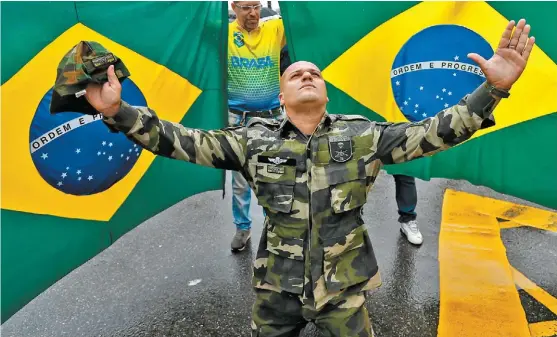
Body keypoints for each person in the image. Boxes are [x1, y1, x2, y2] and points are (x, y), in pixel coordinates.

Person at [84, 19, 534, 337]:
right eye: (297, 73)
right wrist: (117, 112)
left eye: (314, 74)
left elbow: (435, 132)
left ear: (325, 93)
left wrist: (493, 89)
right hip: (277, 289)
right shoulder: (251, 140)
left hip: (345, 289)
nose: (307, 75)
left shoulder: (363, 134)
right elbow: (179, 140)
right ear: (281, 98)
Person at [280, 45, 424, 246]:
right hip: (352, 105)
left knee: (403, 166)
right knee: (346, 170)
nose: (306, 76)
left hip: (387, 104)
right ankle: (350, 213)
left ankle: (408, 217)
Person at [227, 1, 286, 252]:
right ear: (234, 6)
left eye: (257, 6)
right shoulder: (224, 34)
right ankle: (243, 228)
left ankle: (274, 227)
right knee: (240, 180)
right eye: (246, 7)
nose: (253, 13)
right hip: (237, 118)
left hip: (272, 117)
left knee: (273, 174)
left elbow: (306, 14)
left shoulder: (274, 29)